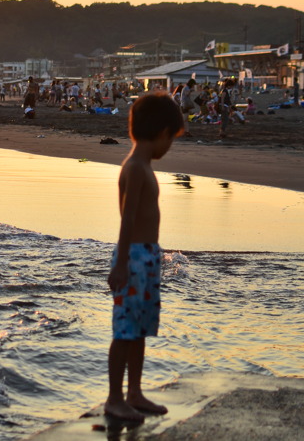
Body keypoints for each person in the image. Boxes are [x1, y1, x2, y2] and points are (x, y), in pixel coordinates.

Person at [105, 93, 183, 422]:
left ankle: (134, 392)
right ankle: (114, 398)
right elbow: (127, 218)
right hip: (133, 257)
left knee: (139, 330)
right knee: (125, 330)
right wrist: (122, 263)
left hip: (147, 256)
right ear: (162, 132)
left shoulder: (144, 165)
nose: (170, 148)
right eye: (172, 140)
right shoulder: (135, 167)